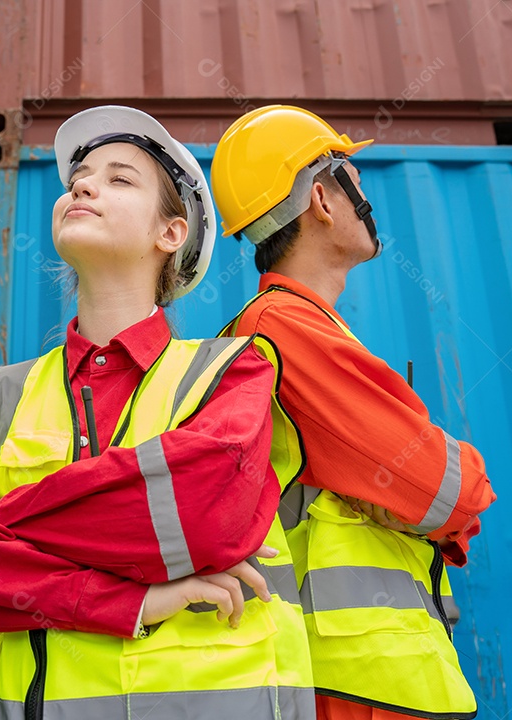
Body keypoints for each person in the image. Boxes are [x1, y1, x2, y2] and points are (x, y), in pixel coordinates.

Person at [0, 106, 313, 720]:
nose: (83, 185)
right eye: (79, 178)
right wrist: (132, 600)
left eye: (119, 179)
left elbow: (201, 517)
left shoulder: (232, 371)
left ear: (170, 234)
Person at [211, 105, 497, 720]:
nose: (366, 199)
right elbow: (453, 491)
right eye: (355, 181)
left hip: (365, 680)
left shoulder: (298, 327)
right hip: (359, 689)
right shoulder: (282, 330)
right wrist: (438, 487)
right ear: (321, 197)